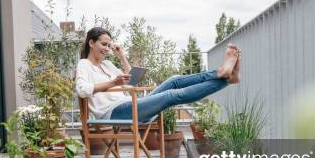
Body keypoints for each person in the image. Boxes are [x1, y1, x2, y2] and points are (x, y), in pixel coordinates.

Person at [75, 27, 241, 123]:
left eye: (109, 45)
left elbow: (131, 81)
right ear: (91, 43)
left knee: (174, 80)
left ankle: (223, 75)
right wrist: (113, 83)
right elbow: (82, 90)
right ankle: (226, 78)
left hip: (131, 105)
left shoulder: (107, 64)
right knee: (170, 95)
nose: (106, 48)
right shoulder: (84, 65)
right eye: (104, 44)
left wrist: (121, 56)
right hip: (114, 113)